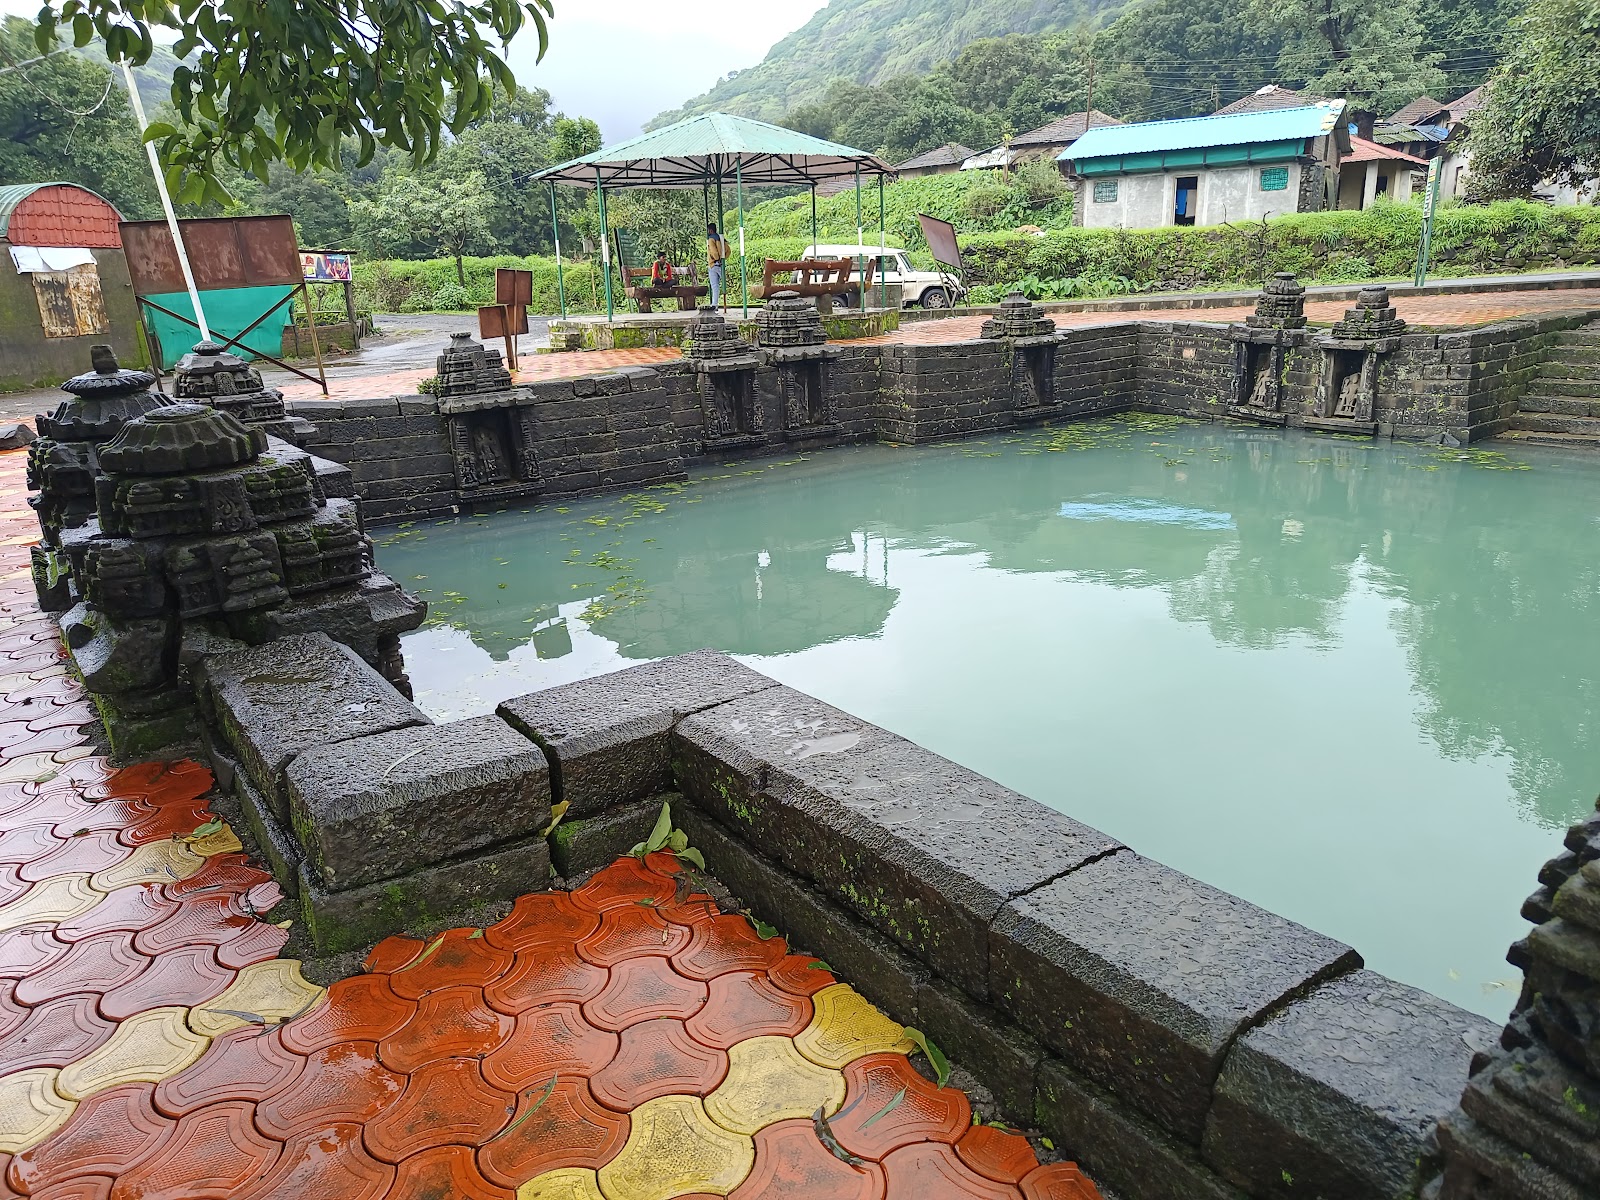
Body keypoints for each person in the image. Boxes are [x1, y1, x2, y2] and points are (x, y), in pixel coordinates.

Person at [706, 222, 730, 308]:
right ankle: (720, 303)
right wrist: (722, 258)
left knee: (714, 286)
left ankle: (714, 304)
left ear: (710, 230)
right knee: (723, 283)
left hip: (713, 264)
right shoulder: (721, 239)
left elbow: (713, 252)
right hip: (721, 264)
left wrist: (715, 258)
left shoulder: (711, 240)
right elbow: (728, 250)